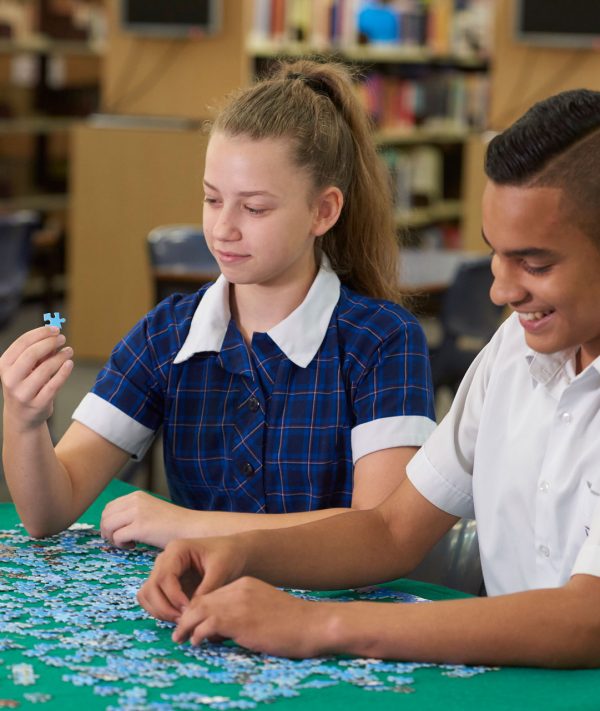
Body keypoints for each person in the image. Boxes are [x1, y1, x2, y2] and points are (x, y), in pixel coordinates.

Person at [137, 88, 600, 668]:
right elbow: (391, 528)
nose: (501, 291)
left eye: (535, 264)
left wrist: (317, 623)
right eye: (495, 256)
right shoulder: (512, 350)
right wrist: (234, 552)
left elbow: (587, 620)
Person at [0, 59, 436, 549]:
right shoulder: (167, 333)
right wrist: (24, 420)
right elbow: (46, 514)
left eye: (254, 208)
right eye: (212, 200)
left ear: (324, 210)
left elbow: (379, 533)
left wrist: (187, 526)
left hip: (332, 619)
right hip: (194, 615)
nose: (223, 228)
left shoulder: (383, 340)